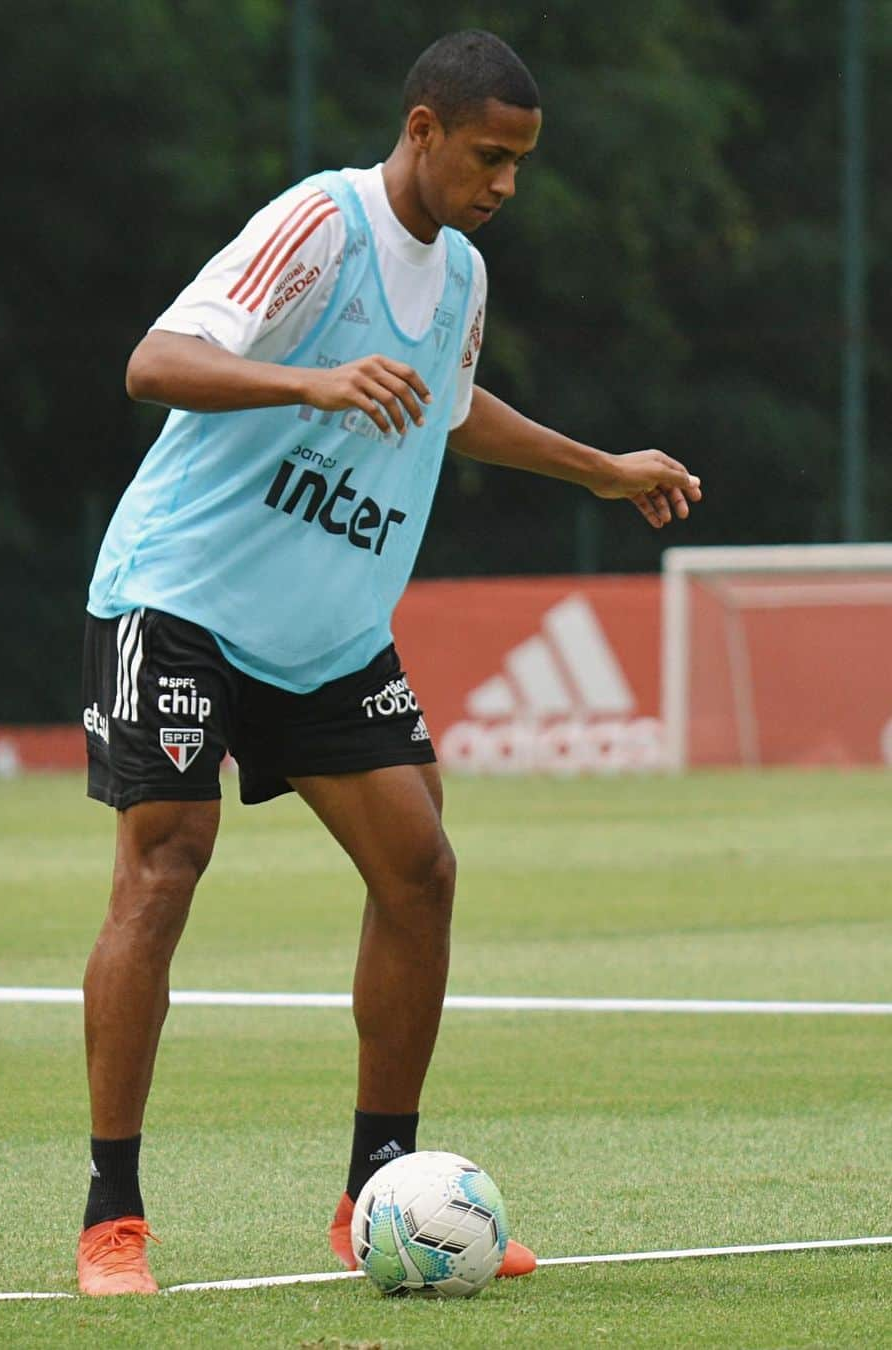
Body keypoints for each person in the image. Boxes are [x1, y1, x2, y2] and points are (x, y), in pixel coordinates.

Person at [76, 28, 701, 1295]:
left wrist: (602, 467)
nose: (504, 185)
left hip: (329, 635)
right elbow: (155, 363)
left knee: (419, 869)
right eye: (490, 156)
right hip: (181, 597)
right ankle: (112, 1217)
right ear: (422, 129)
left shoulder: (462, 277)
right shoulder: (322, 225)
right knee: (168, 862)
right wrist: (309, 384)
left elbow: (455, 406)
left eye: (520, 164)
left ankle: (378, 1198)